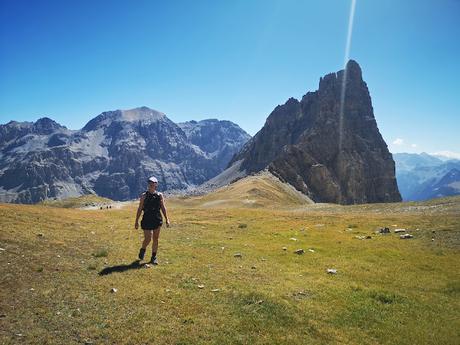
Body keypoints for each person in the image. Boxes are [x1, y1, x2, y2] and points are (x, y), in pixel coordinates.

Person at [134, 176, 170, 264]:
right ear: (148, 184)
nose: (151, 184)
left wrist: (167, 219)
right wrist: (136, 221)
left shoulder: (159, 195)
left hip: (157, 218)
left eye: (153, 183)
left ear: (156, 185)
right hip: (146, 219)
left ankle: (153, 257)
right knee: (148, 238)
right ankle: (143, 249)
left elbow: (163, 207)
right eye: (150, 183)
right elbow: (139, 209)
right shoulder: (144, 196)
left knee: (156, 238)